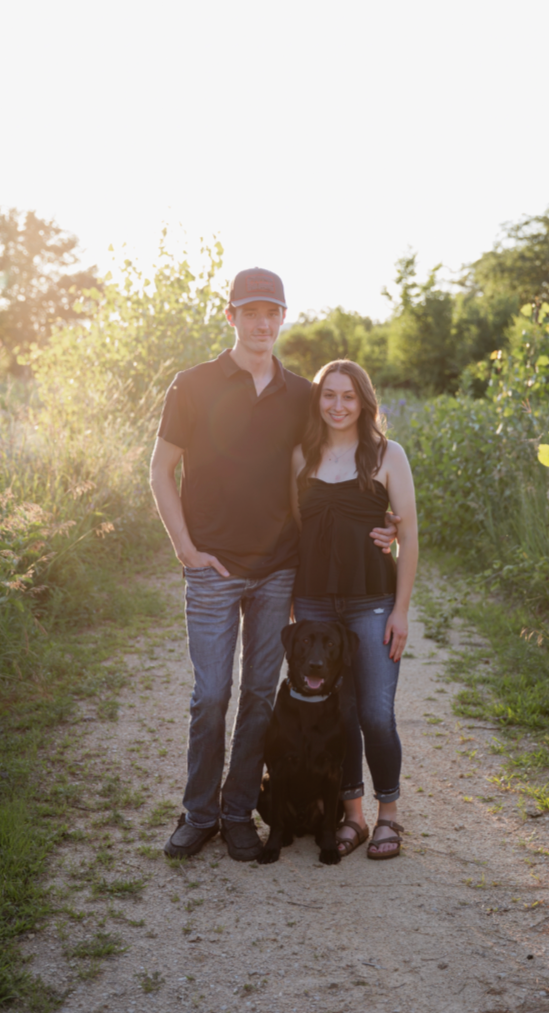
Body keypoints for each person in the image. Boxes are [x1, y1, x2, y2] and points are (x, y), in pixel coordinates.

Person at [149, 268, 397, 862]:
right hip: (211, 565)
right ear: (230, 316)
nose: (262, 323)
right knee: (211, 695)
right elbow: (160, 470)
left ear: (282, 318)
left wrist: (379, 527)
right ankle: (198, 813)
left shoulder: (299, 395)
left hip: (277, 569)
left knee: (262, 695)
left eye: (272, 313)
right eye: (250, 312)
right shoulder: (192, 385)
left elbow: (335, 461)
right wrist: (184, 547)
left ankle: (238, 813)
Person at [291, 359, 418, 859]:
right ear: (318, 400)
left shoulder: (388, 455)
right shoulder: (301, 455)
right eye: (328, 395)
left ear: (364, 401)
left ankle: (389, 816)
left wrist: (400, 610)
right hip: (316, 602)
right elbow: (291, 528)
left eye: (348, 396)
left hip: (372, 602)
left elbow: (407, 536)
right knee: (337, 714)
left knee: (375, 714)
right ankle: (354, 817)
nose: (337, 405)